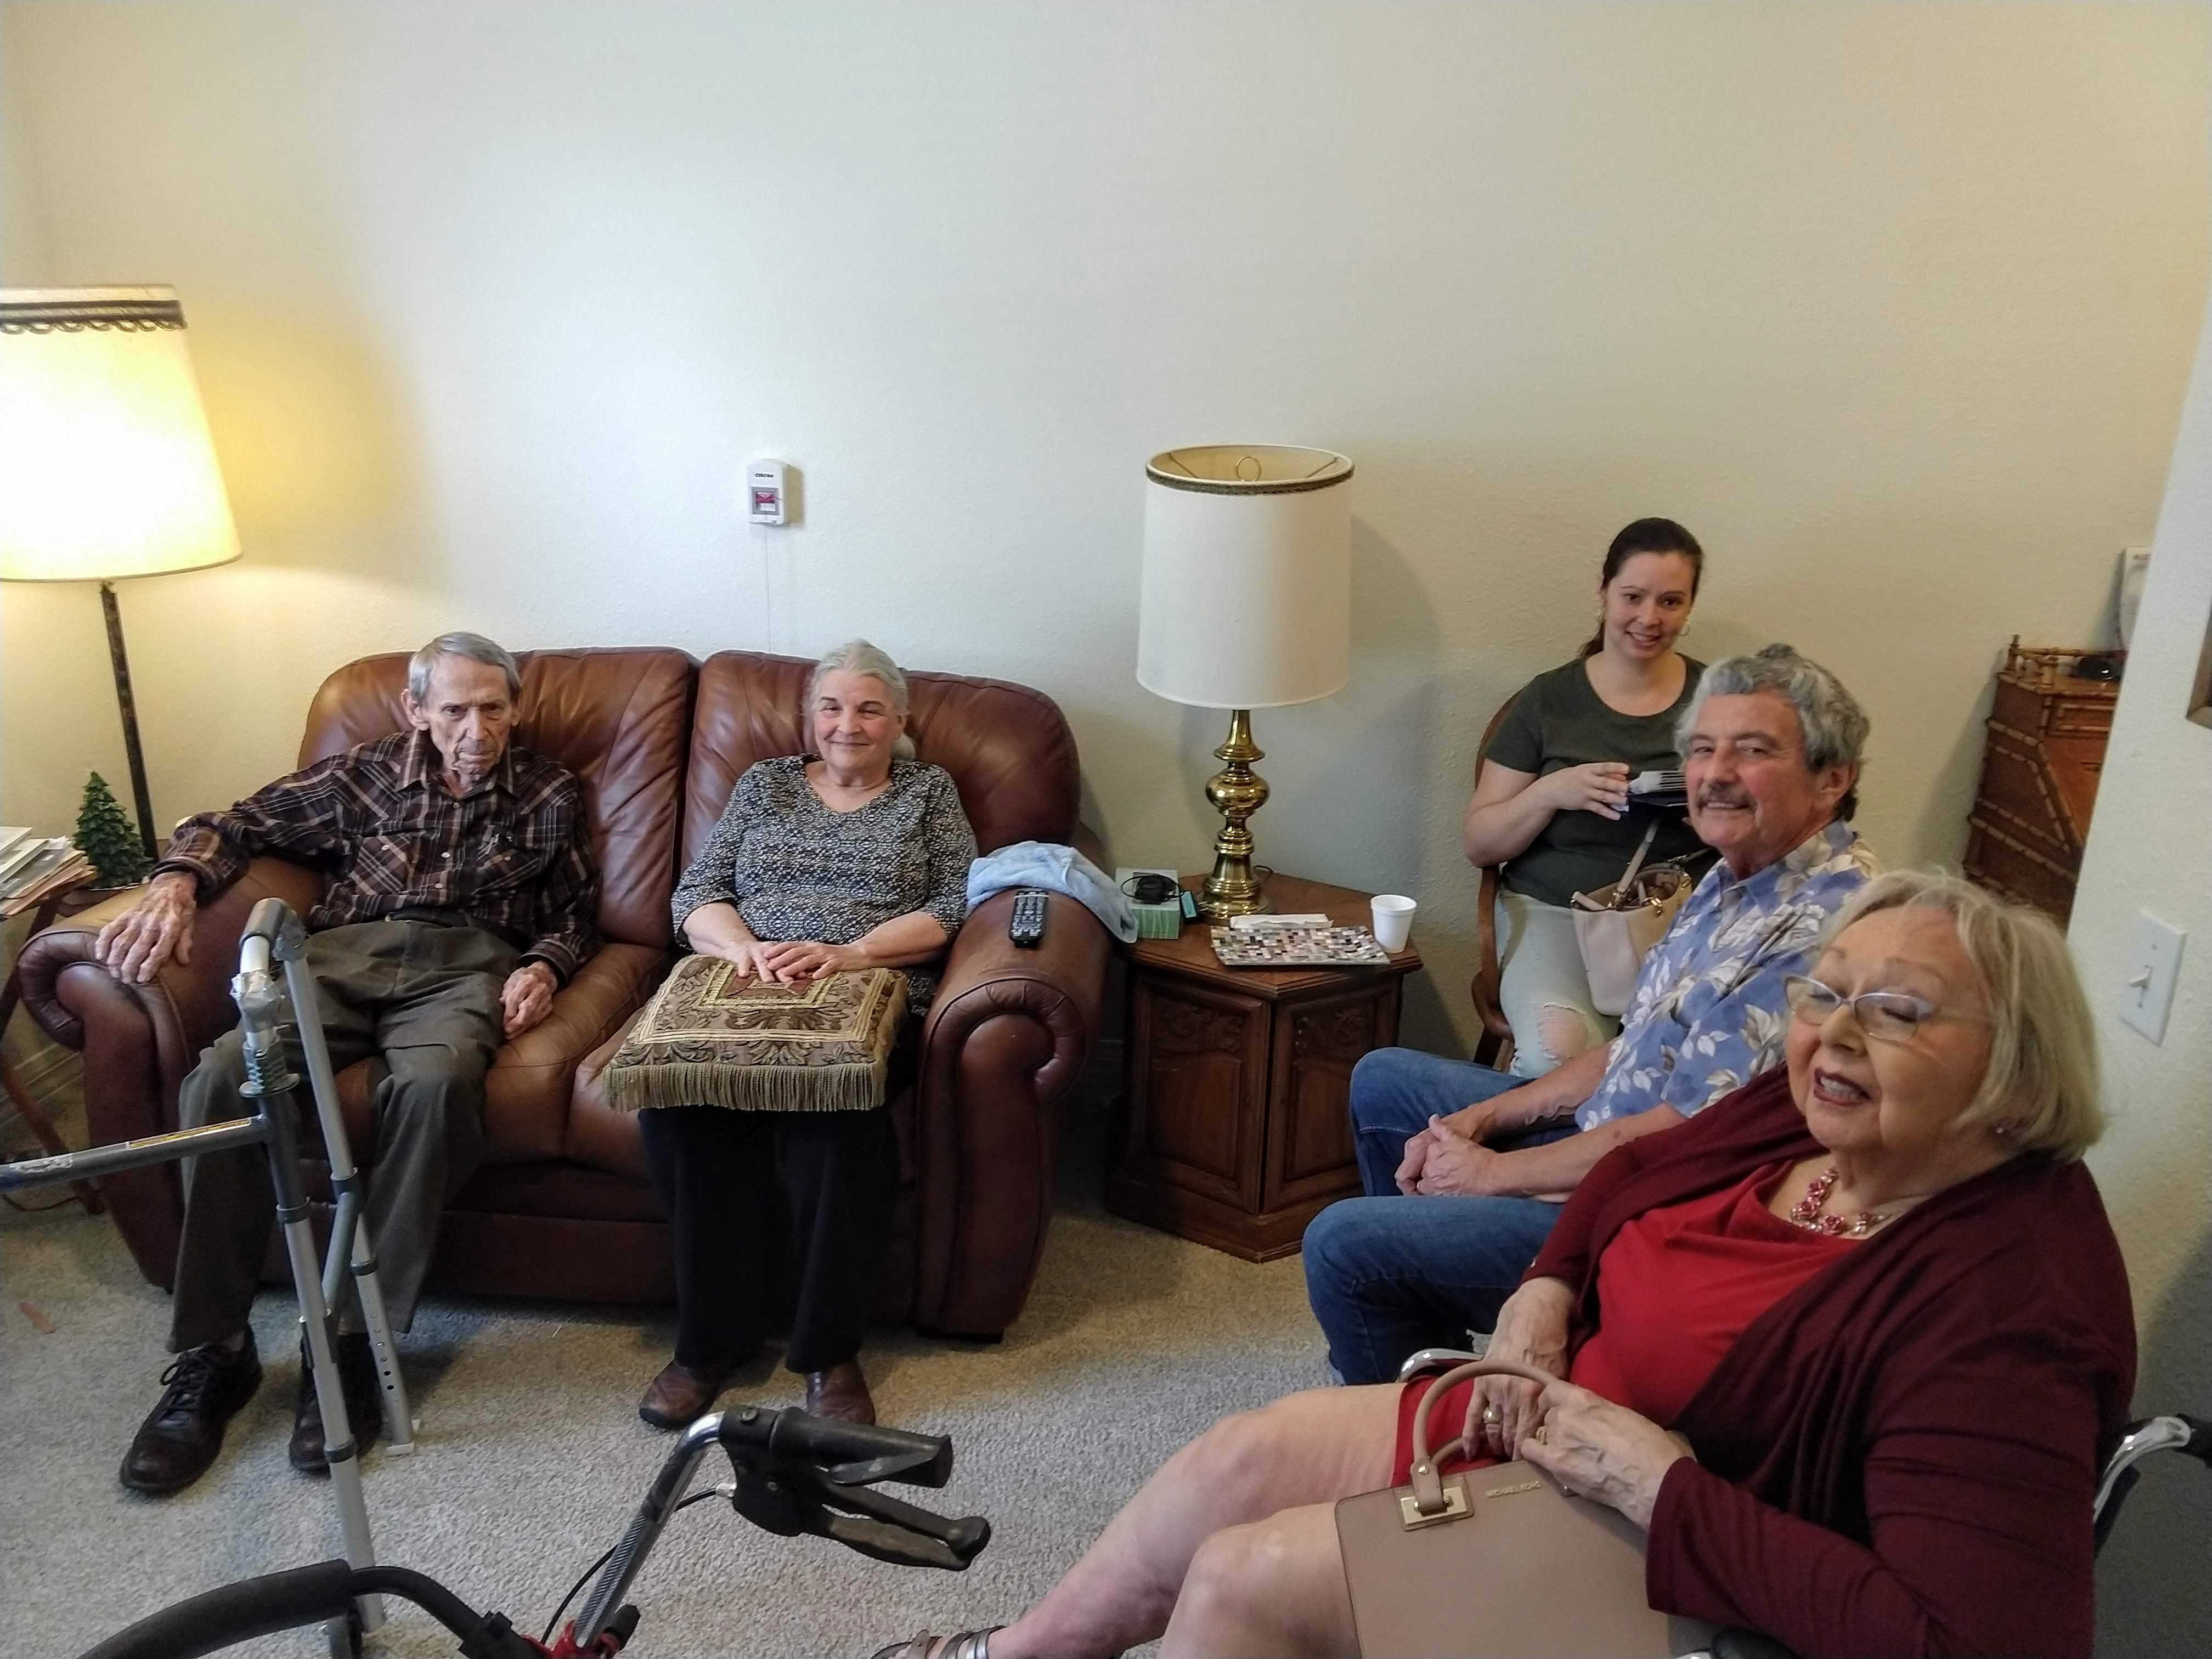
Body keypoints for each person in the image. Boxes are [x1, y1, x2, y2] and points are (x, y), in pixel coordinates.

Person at [874, 871, 2133, 1659]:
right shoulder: (1802, 1114)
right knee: (1240, 1460)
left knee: (1248, 1588)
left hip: (1692, 1554)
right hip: (1562, 1429)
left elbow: (1972, 1644)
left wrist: (1657, 1487)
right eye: (1825, 993)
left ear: (2015, 1072)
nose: (1836, 1032)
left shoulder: (2005, 1302)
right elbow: (1628, 1177)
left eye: (1898, 1010)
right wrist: (1543, 1295)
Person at [99, 632, 600, 1495]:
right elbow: (231, 824)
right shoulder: (363, 773)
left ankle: (356, 1341)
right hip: (340, 955)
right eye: (455, 710)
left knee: (436, 1090)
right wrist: (176, 883)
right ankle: (215, 1349)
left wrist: (544, 966)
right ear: (417, 710)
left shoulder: (549, 790)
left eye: (493, 708)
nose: (476, 729)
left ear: (516, 709)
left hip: (465, 963)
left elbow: (577, 910)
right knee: (224, 1077)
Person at [1307, 643, 1878, 1384]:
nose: (1715, 774)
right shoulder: (1734, 873)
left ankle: (1408, 1387)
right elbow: (1631, 1045)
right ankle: (1431, 1353)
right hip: (1604, 1137)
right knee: (1385, 1081)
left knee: (1343, 1245)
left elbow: (1683, 1138)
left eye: (1753, 750)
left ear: (1833, 779)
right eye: (1703, 750)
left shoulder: (1825, 929)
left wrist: (1494, 1176)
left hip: (1642, 1209)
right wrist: (1486, 1120)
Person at [636, 639, 977, 1431]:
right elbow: (698, 891)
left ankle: (829, 1355)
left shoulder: (928, 791)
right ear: (808, 716)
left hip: (864, 991)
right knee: (680, 1115)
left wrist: (852, 953)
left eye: (868, 709)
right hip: (745, 988)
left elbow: (958, 902)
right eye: (831, 707)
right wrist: (742, 950)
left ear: (900, 720)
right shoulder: (765, 784)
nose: (847, 725)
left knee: (839, 1129)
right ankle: (709, 1348)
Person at [1464, 516, 1713, 1076]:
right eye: (1633, 597)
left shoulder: (1719, 701)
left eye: (1670, 602)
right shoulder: (1549, 700)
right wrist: (1552, 792)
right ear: (1603, 593)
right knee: (1556, 1059)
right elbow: (1479, 843)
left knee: (1707, 1066)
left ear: (1690, 607)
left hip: (1684, 926)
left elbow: (1771, 831)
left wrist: (1715, 813)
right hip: (1556, 916)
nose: (1649, 618)